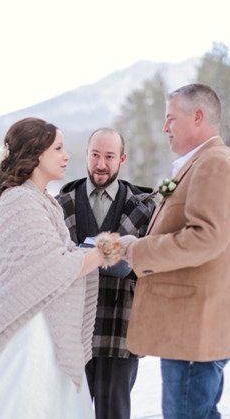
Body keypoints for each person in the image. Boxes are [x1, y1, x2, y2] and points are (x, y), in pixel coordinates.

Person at [0, 117, 123, 419]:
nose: (66, 156)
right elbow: (50, 266)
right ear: (35, 153)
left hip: (45, 324)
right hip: (30, 330)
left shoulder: (43, 201)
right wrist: (102, 252)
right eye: (58, 148)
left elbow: (57, 257)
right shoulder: (20, 200)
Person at [120, 84, 230, 419]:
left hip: (197, 324)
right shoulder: (202, 163)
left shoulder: (215, 165)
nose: (165, 128)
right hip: (191, 325)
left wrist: (139, 251)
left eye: (170, 119)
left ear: (198, 117)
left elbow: (205, 238)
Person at [56, 128, 156, 419]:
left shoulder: (145, 207)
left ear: (122, 159)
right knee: (69, 412)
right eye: (95, 155)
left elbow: (154, 262)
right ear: (86, 155)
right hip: (72, 330)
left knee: (115, 414)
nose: (101, 164)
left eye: (109, 156)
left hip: (120, 329)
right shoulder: (62, 204)